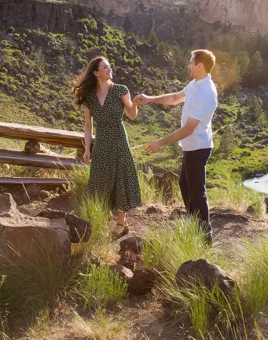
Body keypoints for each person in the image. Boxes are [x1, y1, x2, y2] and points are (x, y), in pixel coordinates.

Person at [135, 49, 218, 244]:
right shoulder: (197, 84)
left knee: (197, 192)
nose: (188, 66)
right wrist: (150, 99)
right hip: (191, 147)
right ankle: (194, 226)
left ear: (200, 66)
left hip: (198, 147)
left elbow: (189, 129)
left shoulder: (205, 93)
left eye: (191, 63)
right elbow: (175, 98)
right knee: (185, 185)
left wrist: (160, 143)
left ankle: (204, 238)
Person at [71, 56, 141, 238]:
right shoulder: (89, 97)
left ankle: (120, 223)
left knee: (119, 176)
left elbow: (132, 115)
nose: (109, 69)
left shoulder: (120, 90)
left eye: (109, 66)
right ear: (96, 72)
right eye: (105, 67)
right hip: (101, 140)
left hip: (118, 137)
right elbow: (88, 125)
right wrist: (87, 148)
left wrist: (135, 105)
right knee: (99, 177)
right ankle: (107, 216)